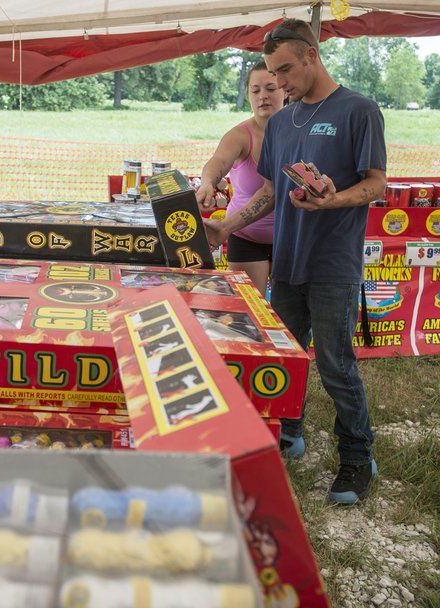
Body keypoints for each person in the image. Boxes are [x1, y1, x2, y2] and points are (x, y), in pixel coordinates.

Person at [203, 19, 387, 505]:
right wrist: (226, 226)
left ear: (311, 55)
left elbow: (377, 185)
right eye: (270, 74)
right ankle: (288, 431)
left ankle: (356, 454)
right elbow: (269, 191)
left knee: (335, 363)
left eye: (285, 70)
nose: (279, 83)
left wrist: (334, 199)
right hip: (286, 262)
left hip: (333, 264)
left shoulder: (358, 110)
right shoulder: (282, 123)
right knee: (286, 356)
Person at [196, 61, 286, 294]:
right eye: (255, 90)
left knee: (288, 322)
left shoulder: (299, 131)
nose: (262, 96)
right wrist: (207, 183)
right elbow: (218, 162)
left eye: (270, 88)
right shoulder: (239, 135)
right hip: (245, 237)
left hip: (290, 241)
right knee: (249, 314)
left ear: (285, 89)